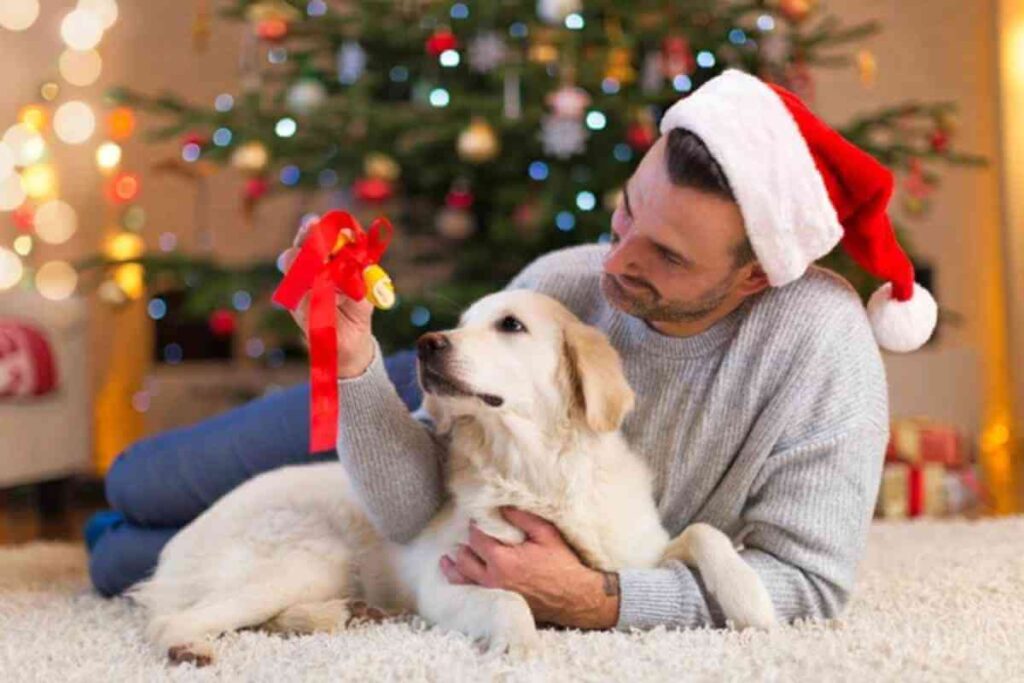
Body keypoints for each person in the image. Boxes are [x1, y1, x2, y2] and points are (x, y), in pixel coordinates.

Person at [87, 70, 937, 631]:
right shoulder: (565, 283)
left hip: (538, 482)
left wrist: (602, 598)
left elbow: (811, 586)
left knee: (128, 557)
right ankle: (122, 530)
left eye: (668, 255)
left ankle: (117, 551)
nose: (618, 261)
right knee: (139, 482)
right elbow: (415, 505)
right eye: (629, 209)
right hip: (427, 406)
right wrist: (350, 363)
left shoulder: (822, 354)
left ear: (754, 278)